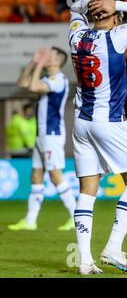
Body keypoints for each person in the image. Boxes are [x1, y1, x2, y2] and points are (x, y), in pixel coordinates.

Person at [69, 0, 127, 274]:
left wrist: (90, 4)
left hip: (81, 122)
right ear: (117, 17)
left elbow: (74, 8)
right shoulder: (117, 36)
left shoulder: (75, 35)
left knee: (87, 190)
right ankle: (113, 248)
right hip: (108, 121)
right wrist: (116, 2)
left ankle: (85, 261)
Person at [8, 47, 76, 232]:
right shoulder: (47, 79)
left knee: (55, 176)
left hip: (52, 135)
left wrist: (39, 63)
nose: (47, 57)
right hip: (42, 135)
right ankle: (30, 220)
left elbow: (33, 87)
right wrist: (33, 62)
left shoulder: (59, 80)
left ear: (57, 61)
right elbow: (23, 82)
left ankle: (76, 218)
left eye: (50, 56)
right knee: (36, 175)